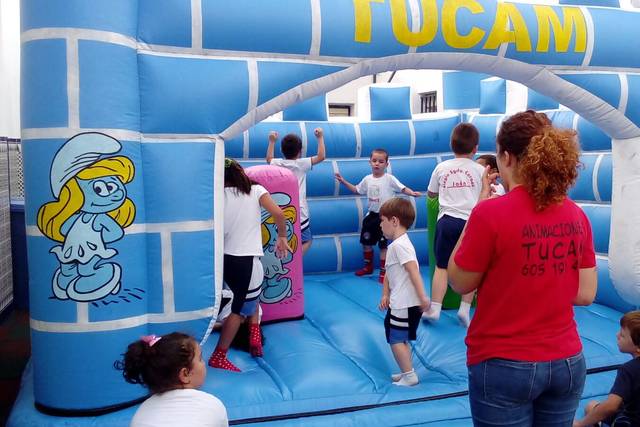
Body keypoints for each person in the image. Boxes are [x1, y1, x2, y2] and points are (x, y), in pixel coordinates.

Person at [448, 110, 598, 426]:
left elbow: (459, 282)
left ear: (506, 157)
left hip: (504, 363)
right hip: (566, 360)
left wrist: (475, 212)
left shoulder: (490, 214)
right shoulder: (576, 215)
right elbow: (586, 294)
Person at [208, 159, 290, 372]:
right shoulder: (255, 190)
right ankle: (220, 354)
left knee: (246, 298)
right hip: (247, 258)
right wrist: (282, 236)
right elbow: (279, 213)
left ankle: (253, 332)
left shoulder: (216, 195)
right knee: (240, 309)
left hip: (225, 259)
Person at [422, 123, 485, 328]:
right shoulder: (480, 170)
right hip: (471, 223)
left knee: (441, 267)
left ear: (451, 145)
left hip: (447, 221)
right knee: (471, 267)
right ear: (475, 148)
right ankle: (465, 310)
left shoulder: (441, 167)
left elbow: (431, 194)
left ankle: (435, 308)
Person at [335, 148, 421, 283]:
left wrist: (412, 193)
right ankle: (368, 267)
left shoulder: (389, 179)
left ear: (386, 164)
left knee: (383, 246)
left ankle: (383, 273)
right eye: (374, 161)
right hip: (372, 216)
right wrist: (343, 181)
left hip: (385, 217)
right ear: (370, 162)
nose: (377, 164)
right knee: (366, 243)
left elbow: (402, 188)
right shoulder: (367, 179)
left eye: (381, 162)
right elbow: (357, 190)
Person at [115, 332, 229, 427]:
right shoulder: (212, 405)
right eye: (200, 359)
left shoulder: (141, 414)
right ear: (185, 374)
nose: (203, 364)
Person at [378, 198, 430, 386]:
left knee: (395, 338)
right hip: (403, 302)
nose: (380, 226)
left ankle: (409, 375)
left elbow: (413, 270)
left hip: (405, 303)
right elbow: (389, 274)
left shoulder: (401, 246)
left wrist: (422, 296)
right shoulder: (396, 245)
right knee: (399, 336)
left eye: (382, 221)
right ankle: (405, 370)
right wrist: (385, 294)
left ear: (394, 221)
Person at [573, 311, 640, 427]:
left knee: (591, 406)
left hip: (630, 422)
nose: (617, 335)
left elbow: (610, 407)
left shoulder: (629, 370)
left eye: (623, 335)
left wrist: (581, 423)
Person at [266, 128, 326, 255]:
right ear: (300, 151)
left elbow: (269, 158)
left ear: (282, 150)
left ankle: (284, 259)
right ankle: (296, 259)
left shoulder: (277, 163)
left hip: (280, 210)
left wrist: (272, 141)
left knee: (283, 238)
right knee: (307, 240)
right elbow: (321, 156)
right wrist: (320, 137)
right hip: (299, 212)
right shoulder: (301, 164)